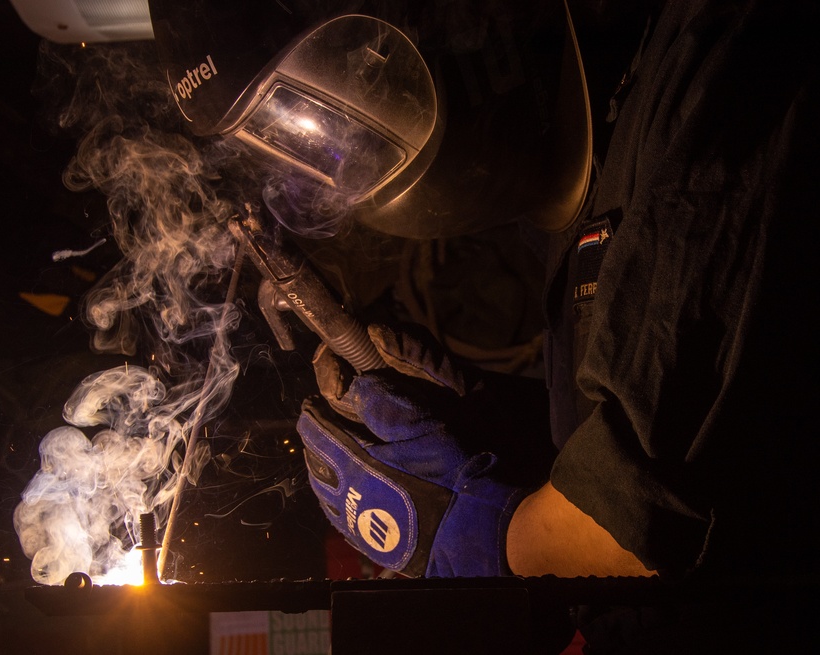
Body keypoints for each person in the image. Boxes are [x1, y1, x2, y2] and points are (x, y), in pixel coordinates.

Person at [295, 0, 820, 650]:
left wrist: (455, 534)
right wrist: (482, 422)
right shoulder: (619, 102)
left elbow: (632, 523)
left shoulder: (717, 66)